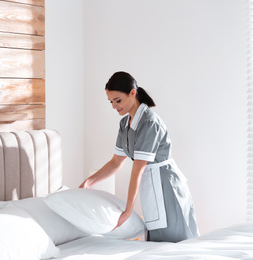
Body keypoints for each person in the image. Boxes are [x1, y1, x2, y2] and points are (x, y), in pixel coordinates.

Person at [79, 71, 199, 242]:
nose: (114, 106)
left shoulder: (149, 122)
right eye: (111, 101)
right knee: (158, 243)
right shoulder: (124, 124)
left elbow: (138, 168)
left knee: (176, 243)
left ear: (133, 93)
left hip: (166, 186)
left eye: (118, 100)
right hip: (151, 184)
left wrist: (128, 210)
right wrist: (88, 182)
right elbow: (115, 162)